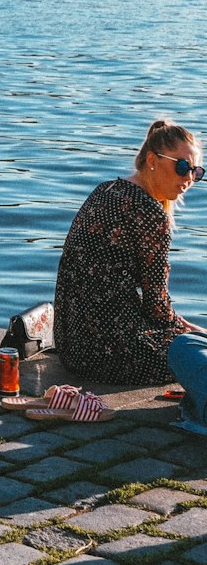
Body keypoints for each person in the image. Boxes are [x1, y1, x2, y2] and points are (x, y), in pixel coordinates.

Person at [54, 119, 204, 385]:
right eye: (182, 167)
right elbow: (156, 305)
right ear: (152, 160)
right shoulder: (150, 213)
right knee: (196, 350)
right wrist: (186, 330)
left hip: (70, 343)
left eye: (196, 171)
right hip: (109, 353)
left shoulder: (106, 189)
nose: (189, 179)